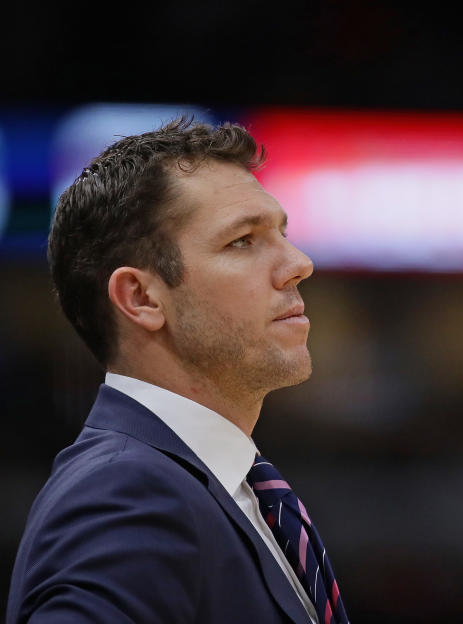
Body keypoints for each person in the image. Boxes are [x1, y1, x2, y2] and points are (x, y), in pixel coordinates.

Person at [6, 118, 348, 624]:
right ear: (142, 297)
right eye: (242, 241)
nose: (299, 263)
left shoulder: (209, 484)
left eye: (282, 233)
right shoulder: (126, 491)